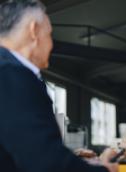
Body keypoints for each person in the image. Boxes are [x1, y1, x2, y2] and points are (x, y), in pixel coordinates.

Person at [0, 1, 117, 172]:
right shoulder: (12, 75)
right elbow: (46, 163)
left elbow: (22, 153)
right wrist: (105, 170)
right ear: (34, 30)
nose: (51, 45)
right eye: (49, 35)